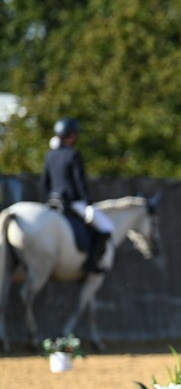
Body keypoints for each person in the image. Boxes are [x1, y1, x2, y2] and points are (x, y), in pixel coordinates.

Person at [41, 117, 113, 273]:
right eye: (76, 134)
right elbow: (80, 182)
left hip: (53, 201)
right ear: (71, 135)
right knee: (106, 227)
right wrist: (88, 203)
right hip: (72, 202)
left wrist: (49, 198)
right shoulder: (73, 154)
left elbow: (44, 183)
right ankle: (90, 263)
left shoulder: (50, 155)